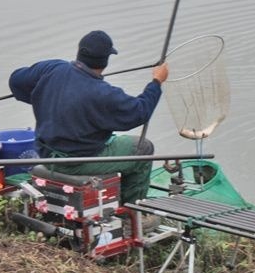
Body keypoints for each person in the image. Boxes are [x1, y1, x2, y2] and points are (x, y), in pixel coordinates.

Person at [9, 30, 169, 204]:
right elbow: (140, 111)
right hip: (77, 162)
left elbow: (15, 81)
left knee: (115, 141)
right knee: (143, 148)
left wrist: (42, 98)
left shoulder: (52, 68)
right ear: (106, 60)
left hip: (46, 153)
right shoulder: (103, 93)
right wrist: (156, 82)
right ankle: (133, 212)